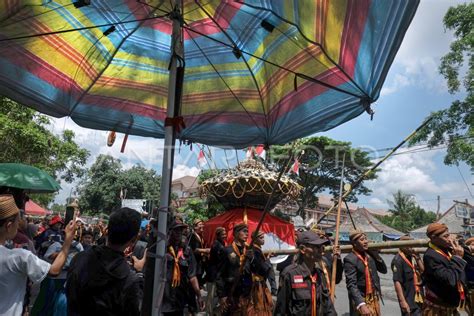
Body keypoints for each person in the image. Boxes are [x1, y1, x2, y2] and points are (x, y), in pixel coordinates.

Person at [0, 194, 77, 316]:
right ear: (9, 226)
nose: (19, 224)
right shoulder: (19, 257)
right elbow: (54, 270)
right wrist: (68, 241)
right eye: (17, 221)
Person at [66, 207, 147, 316]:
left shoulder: (79, 258)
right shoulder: (129, 279)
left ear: (107, 230)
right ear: (133, 240)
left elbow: (70, 296)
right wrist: (139, 274)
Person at [274, 230, 337, 315]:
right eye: (316, 247)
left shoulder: (319, 274)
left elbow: (328, 305)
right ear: (303, 249)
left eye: (321, 247)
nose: (320, 251)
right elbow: (280, 310)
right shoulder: (289, 274)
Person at [422, 223, 467, 315]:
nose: (449, 239)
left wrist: (459, 244)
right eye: (446, 236)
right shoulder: (430, 256)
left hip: (451, 306)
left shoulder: (447, 249)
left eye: (449, 234)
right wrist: (457, 258)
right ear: (434, 238)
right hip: (438, 310)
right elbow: (450, 280)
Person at [162, 219, 204, 315]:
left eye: (181, 230)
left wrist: (199, 295)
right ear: (169, 231)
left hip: (180, 299)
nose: (179, 233)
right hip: (163, 299)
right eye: (176, 230)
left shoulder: (187, 251)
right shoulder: (162, 250)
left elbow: (192, 276)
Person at [344, 228, 387, 316]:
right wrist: (361, 304)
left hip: (373, 297)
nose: (366, 242)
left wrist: (376, 255)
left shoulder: (369, 255)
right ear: (354, 243)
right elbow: (351, 284)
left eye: (366, 239)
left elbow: (384, 270)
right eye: (362, 240)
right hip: (361, 298)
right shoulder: (350, 259)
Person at [216, 223, 249, 315]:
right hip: (231, 292)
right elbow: (219, 275)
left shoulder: (249, 251)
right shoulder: (227, 251)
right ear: (236, 233)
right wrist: (222, 295)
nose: (247, 234)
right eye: (244, 231)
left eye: (248, 232)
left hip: (245, 293)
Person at [391, 235, 424, 316]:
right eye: (408, 245)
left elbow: (424, 271)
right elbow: (397, 282)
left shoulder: (413, 257)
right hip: (408, 300)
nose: (411, 247)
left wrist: (418, 258)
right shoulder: (398, 260)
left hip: (419, 298)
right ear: (402, 246)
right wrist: (402, 301)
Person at [245, 230, 273, 315]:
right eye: (261, 238)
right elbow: (263, 269)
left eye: (263, 237)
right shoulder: (255, 251)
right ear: (255, 239)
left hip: (258, 282)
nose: (263, 239)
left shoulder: (257, 249)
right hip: (257, 284)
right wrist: (267, 259)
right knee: (258, 307)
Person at [206, 226, 227, 316]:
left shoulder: (221, 243)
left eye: (225, 234)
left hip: (217, 274)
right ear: (218, 235)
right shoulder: (217, 245)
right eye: (223, 234)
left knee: (217, 295)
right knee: (211, 295)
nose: (225, 235)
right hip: (213, 275)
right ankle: (209, 313)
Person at [188, 218, 209, 287]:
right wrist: (206, 250)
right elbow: (194, 249)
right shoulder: (192, 236)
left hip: (200, 262)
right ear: (195, 227)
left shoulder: (201, 236)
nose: (202, 226)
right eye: (200, 224)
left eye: (202, 224)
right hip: (194, 263)